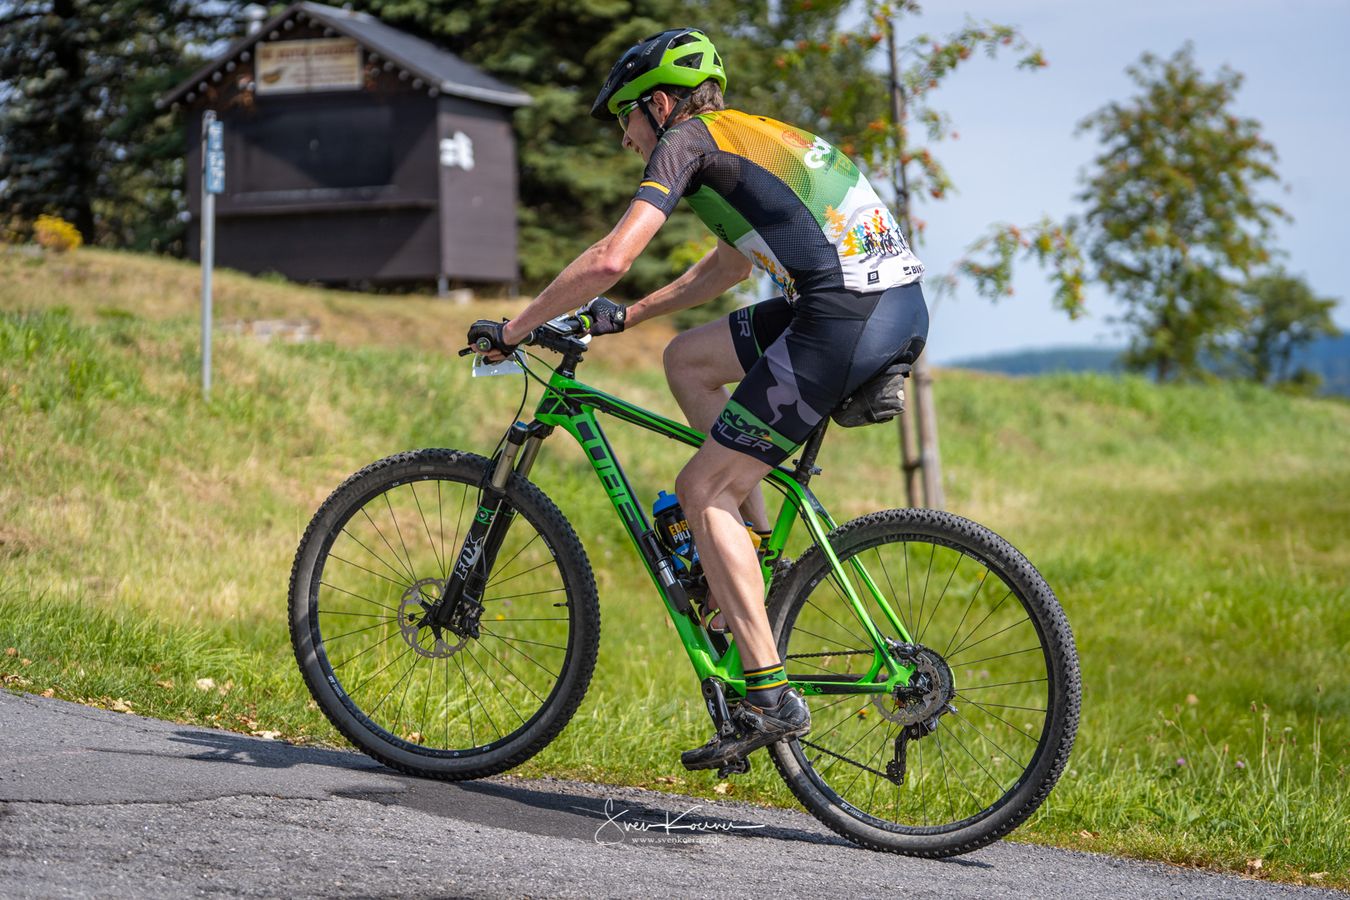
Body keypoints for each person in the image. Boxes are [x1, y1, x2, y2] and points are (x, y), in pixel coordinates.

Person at [466, 27, 929, 771]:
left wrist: (514, 330)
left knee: (701, 487)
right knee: (687, 360)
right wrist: (630, 317)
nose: (625, 140)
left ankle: (769, 697)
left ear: (659, 105)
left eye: (625, 119)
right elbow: (730, 266)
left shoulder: (685, 142)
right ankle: (753, 553)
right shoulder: (746, 136)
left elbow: (611, 257)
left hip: (842, 315)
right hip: (879, 304)